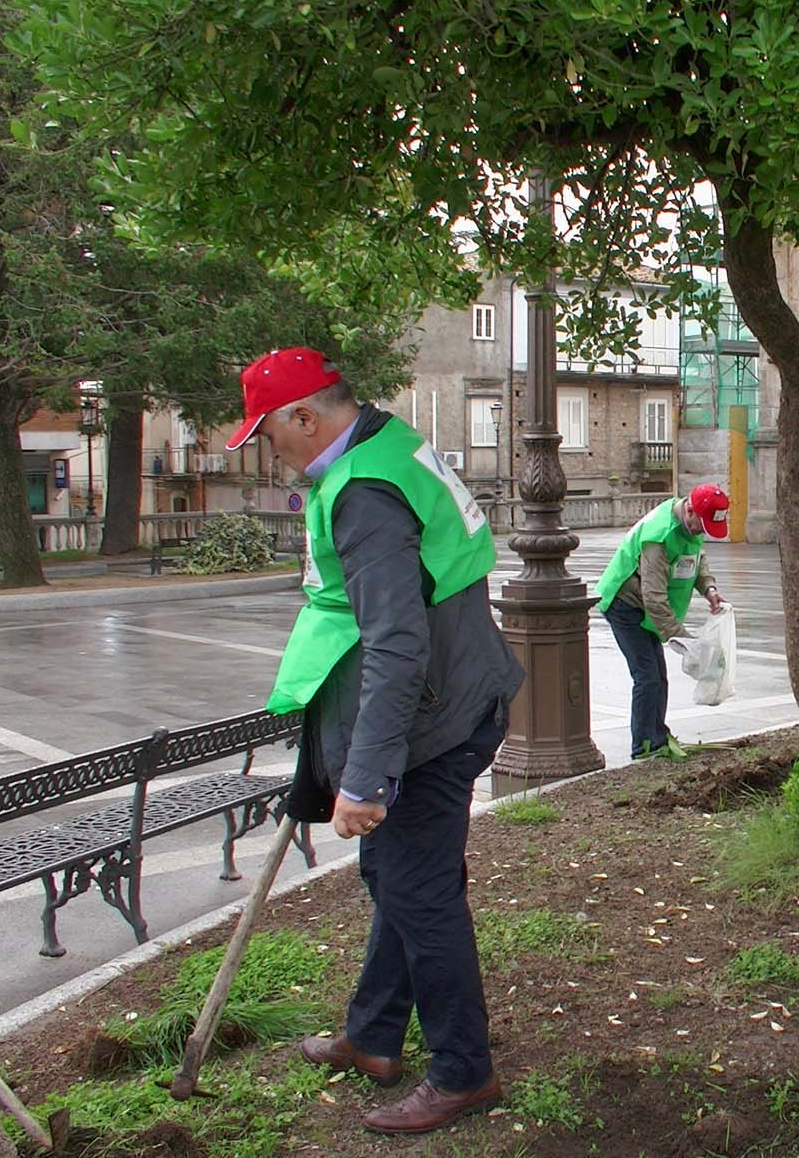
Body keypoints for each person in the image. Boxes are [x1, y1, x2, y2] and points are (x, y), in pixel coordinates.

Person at [224, 347, 523, 1134]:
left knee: (418, 890)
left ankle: (464, 1072)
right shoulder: (383, 440)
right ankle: (375, 1037)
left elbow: (395, 644)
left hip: (437, 719)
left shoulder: (364, 494)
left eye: (267, 431)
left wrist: (364, 778)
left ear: (304, 417)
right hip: (458, 695)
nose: (268, 448)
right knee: (398, 874)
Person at [596, 486, 728, 758]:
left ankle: (657, 736)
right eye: (701, 525)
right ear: (689, 510)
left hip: (647, 606)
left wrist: (709, 588)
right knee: (647, 677)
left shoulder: (690, 525)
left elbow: (697, 557)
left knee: (659, 677)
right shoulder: (659, 535)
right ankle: (644, 747)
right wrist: (684, 640)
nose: (702, 532)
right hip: (625, 605)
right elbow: (654, 598)